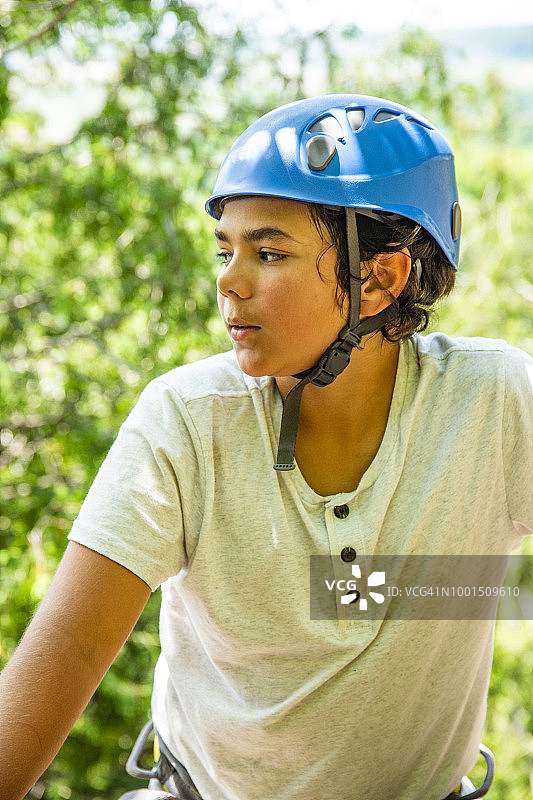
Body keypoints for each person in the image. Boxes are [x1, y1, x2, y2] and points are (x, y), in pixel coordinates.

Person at [0, 94, 531, 800]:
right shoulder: (188, 420)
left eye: (269, 252)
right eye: (225, 249)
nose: (229, 279)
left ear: (379, 278)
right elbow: (71, 643)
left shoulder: (491, 401)